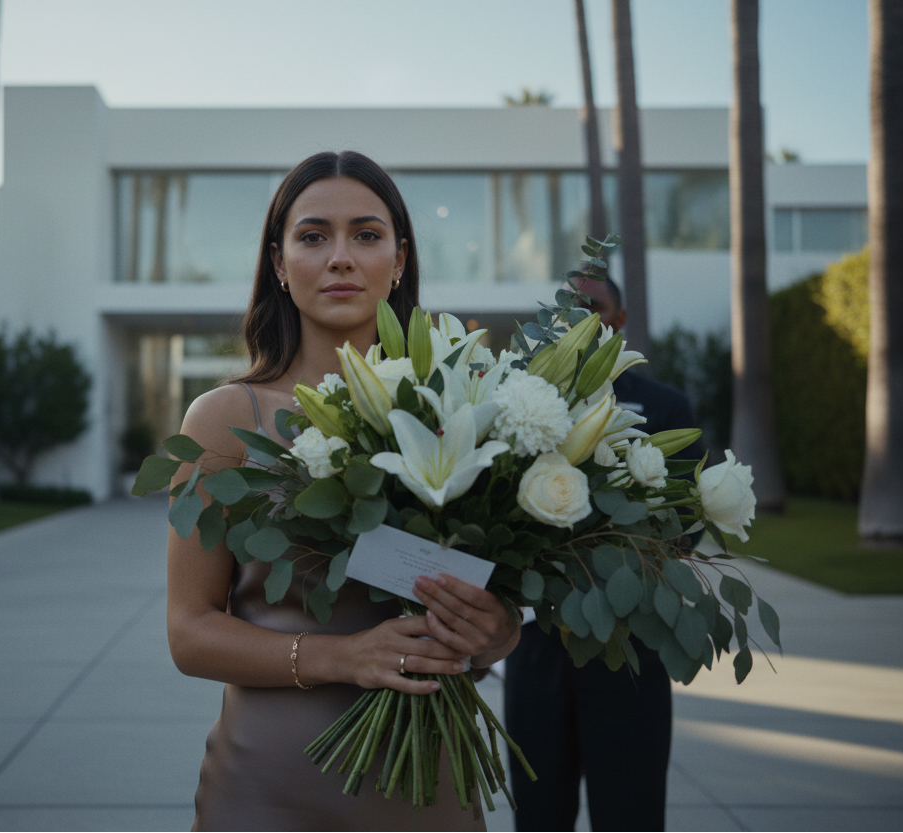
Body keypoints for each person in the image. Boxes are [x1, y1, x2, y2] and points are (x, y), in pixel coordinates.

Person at [167, 151, 521, 832]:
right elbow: (188, 632)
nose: (340, 258)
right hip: (264, 793)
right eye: (312, 236)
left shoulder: (470, 410)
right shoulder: (224, 419)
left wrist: (495, 631)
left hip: (429, 790)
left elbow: (493, 611)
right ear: (279, 262)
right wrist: (342, 656)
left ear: (399, 258)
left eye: (365, 234)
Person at [502, 273, 705, 833]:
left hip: (628, 648)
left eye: (592, 305)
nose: (578, 315)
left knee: (630, 813)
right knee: (538, 816)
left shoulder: (665, 407)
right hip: (537, 648)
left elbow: (686, 525)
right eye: (567, 305)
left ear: (618, 319)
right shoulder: (520, 401)